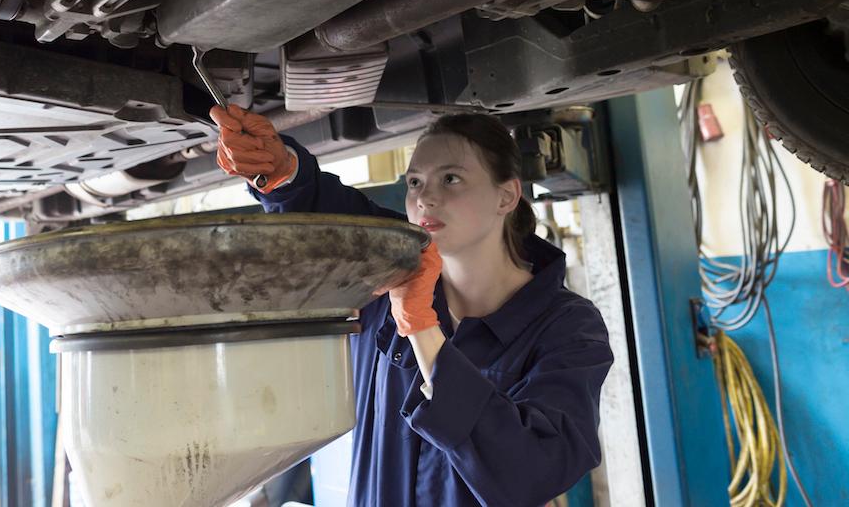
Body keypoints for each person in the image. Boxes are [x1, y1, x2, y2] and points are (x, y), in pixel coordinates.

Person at [209, 104, 614, 507]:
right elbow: (325, 211)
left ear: (506, 195)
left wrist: (420, 325)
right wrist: (279, 168)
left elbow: (533, 471)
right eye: (415, 182)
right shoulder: (389, 268)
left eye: (451, 179)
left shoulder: (568, 328)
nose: (425, 198)